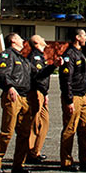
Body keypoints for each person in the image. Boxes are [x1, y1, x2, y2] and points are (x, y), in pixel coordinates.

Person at [0, 32, 58, 173]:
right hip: (14, 96)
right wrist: (10, 87)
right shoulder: (7, 55)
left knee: (25, 134)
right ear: (13, 40)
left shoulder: (24, 60)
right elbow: (2, 73)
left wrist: (53, 66)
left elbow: (38, 74)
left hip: (25, 98)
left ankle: (18, 165)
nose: (23, 40)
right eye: (20, 38)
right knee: (7, 131)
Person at [58, 28, 86, 171]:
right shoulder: (69, 55)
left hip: (82, 95)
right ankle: (66, 161)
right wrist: (69, 100)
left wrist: (85, 93)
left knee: (85, 128)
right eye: (84, 35)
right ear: (77, 37)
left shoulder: (80, 53)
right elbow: (66, 79)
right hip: (73, 96)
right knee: (70, 129)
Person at [26, 35, 52, 164]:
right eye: (41, 38)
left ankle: (36, 150)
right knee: (34, 123)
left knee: (44, 123)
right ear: (36, 42)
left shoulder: (40, 56)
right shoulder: (34, 57)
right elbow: (37, 76)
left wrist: (45, 93)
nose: (44, 39)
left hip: (41, 92)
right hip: (35, 92)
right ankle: (30, 152)